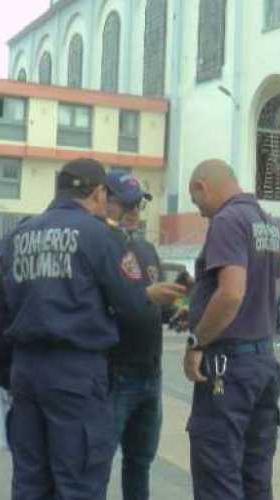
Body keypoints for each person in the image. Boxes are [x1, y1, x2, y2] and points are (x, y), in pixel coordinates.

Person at [0, 159, 177, 499]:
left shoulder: (18, 236)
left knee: (30, 482)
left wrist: (4, 374)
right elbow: (132, 305)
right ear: (99, 192)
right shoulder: (100, 235)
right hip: (77, 374)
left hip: (27, 372)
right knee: (78, 482)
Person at [184, 159, 280, 500]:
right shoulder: (269, 223)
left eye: (197, 203)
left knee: (218, 475)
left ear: (202, 186)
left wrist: (197, 342)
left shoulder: (227, 220)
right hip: (263, 363)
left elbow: (232, 292)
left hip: (229, 367)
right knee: (256, 475)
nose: (201, 213)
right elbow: (267, 287)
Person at [105, 171, 171, 500]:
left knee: (140, 462)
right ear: (106, 201)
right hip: (116, 374)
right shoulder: (101, 245)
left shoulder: (146, 249)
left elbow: (156, 305)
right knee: (98, 463)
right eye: (127, 204)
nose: (134, 211)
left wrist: (177, 308)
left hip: (151, 373)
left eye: (139, 204)